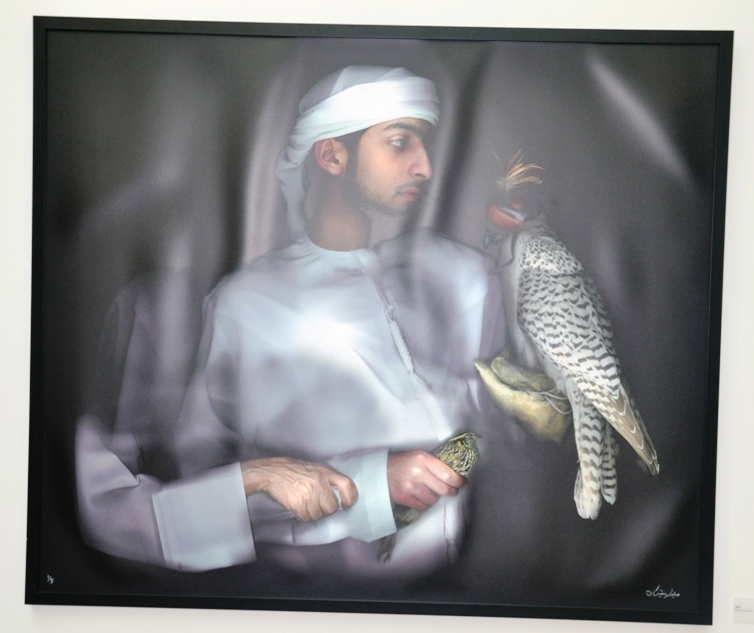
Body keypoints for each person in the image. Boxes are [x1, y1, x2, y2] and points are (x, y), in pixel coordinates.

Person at [77, 65, 505, 575]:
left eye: (424, 143)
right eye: (399, 143)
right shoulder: (248, 304)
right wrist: (368, 483)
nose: (425, 168)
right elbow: (213, 485)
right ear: (331, 156)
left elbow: (499, 426)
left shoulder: (462, 275)